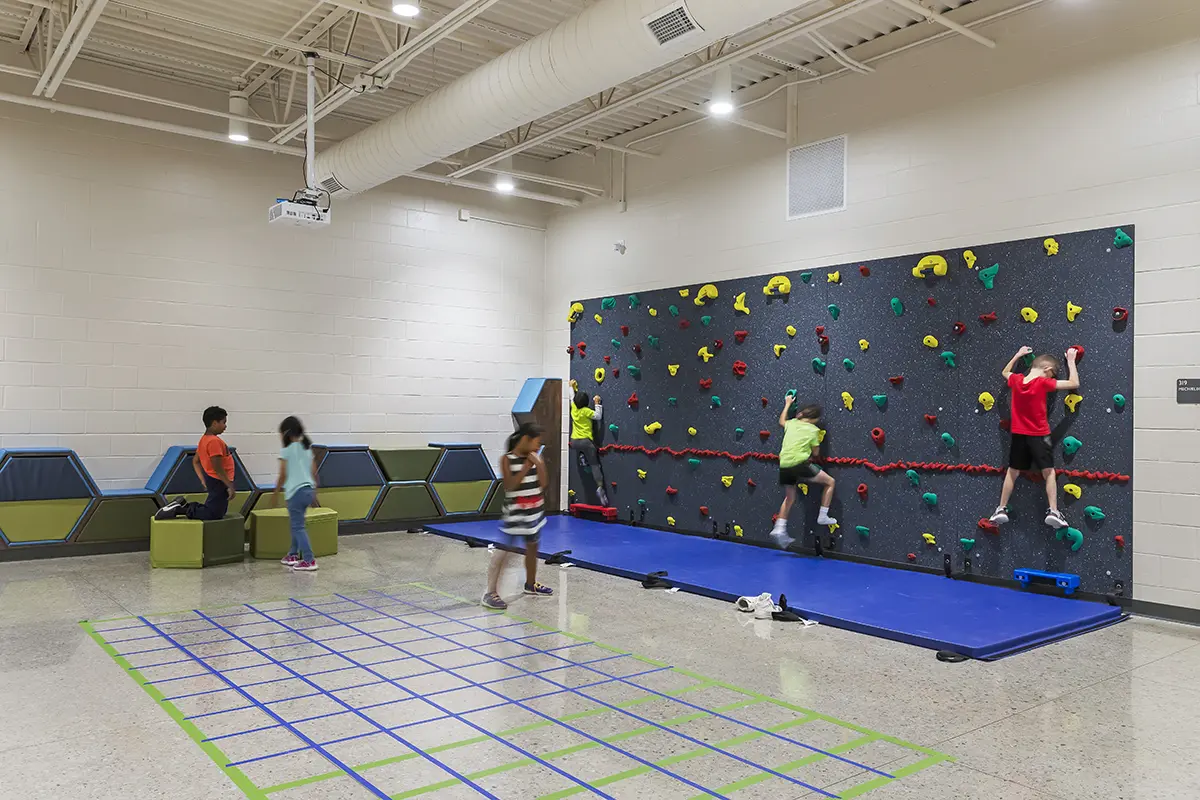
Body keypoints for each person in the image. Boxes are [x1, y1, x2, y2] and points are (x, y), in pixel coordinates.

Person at [989, 346, 1080, 529]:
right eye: (1052, 374)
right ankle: (1053, 511)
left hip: (1019, 436)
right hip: (1039, 435)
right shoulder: (1042, 383)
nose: (1052, 378)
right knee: (1049, 472)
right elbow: (1073, 383)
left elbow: (1005, 372)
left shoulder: (1017, 380)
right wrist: (1070, 360)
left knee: (1012, 472)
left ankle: (1001, 508)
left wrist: (1018, 355)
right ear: (1047, 370)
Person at [482, 422, 553, 610]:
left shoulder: (535, 458)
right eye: (536, 443)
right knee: (504, 551)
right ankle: (490, 592)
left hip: (533, 514)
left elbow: (543, 483)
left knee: (532, 548)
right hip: (515, 514)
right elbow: (510, 486)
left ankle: (531, 584)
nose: (538, 447)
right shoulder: (507, 459)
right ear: (525, 440)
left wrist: (539, 464)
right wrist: (526, 466)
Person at [770, 396, 837, 549]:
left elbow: (781, 421)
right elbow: (815, 453)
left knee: (790, 497)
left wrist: (787, 404)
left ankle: (779, 528)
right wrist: (816, 444)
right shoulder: (814, 430)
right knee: (830, 482)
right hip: (800, 463)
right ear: (814, 419)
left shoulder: (792, 423)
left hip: (785, 463)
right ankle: (823, 515)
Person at [156, 406, 236, 521]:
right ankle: (181, 508)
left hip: (213, 479)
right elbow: (217, 467)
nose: (225, 426)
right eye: (223, 422)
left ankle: (183, 506)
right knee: (213, 514)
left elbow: (195, 461)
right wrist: (229, 485)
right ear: (214, 423)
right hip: (219, 481)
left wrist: (203, 479)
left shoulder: (204, 439)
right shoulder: (214, 441)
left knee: (217, 511)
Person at [271, 416, 320, 572]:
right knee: (297, 525)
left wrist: (276, 492)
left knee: (298, 527)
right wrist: (314, 494)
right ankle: (292, 554)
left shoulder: (286, 450)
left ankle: (309, 559)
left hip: (295, 492)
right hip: (308, 490)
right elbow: (314, 472)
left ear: (285, 432)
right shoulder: (307, 449)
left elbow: (283, 473)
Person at [568, 381, 608, 506]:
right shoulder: (586, 411)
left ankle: (582, 458)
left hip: (574, 442)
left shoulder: (574, 409)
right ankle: (600, 487)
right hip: (586, 442)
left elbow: (571, 397)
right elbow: (598, 416)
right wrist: (597, 404)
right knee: (595, 465)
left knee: (582, 453)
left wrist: (571, 387)